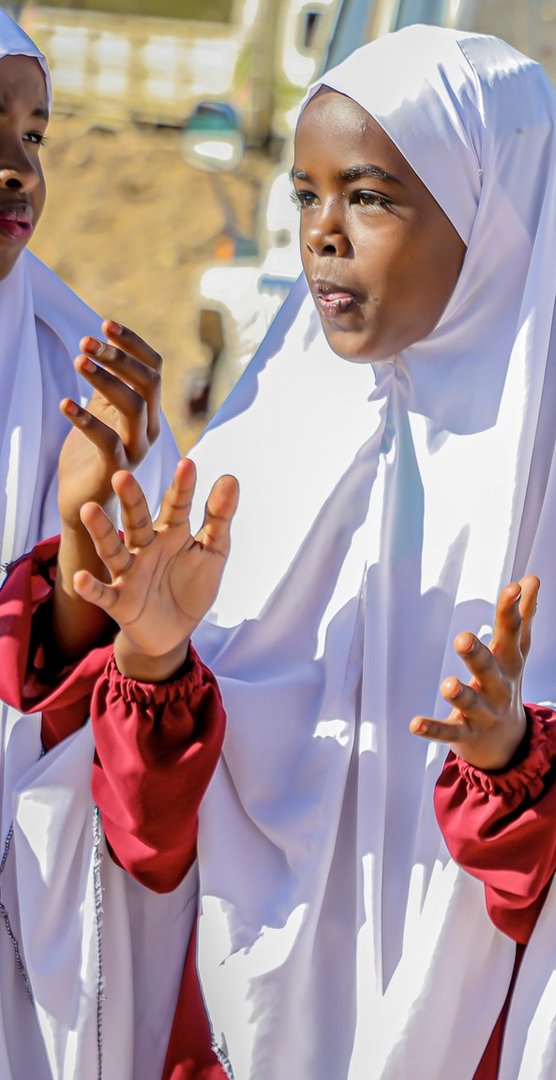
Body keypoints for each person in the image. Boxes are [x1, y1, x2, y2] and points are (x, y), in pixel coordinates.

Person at [0, 27, 556, 1078]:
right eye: (308, 196)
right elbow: (148, 843)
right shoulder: (253, 461)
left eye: (369, 197)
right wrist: (149, 656)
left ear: (495, 219)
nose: (324, 235)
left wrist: (510, 760)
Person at [0, 11, 182, 1078]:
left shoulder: (80, 373)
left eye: (35, 137)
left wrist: (82, 523)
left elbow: (92, 677)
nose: (15, 168)